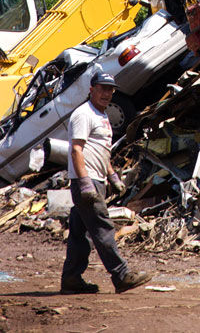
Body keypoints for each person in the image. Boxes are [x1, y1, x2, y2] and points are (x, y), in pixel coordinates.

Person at [61, 69, 152, 294]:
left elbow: (100, 150)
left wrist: (112, 175)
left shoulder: (102, 114)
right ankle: (121, 275)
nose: (107, 94)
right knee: (102, 227)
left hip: (96, 179)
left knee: (80, 234)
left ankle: (71, 278)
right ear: (91, 89)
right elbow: (76, 149)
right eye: (102, 89)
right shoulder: (84, 114)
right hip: (87, 180)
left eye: (110, 90)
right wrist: (84, 182)